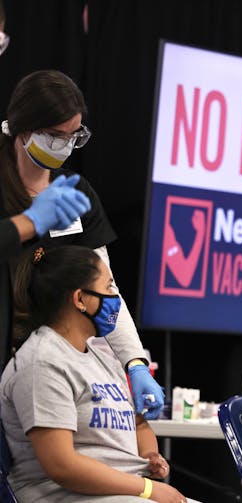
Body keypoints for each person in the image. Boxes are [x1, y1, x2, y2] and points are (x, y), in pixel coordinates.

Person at [0, 69, 163, 418]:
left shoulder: (75, 191)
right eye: (55, 136)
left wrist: (134, 361)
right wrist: (28, 224)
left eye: (74, 135)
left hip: (57, 362)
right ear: (24, 129)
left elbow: (103, 286)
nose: (65, 145)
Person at [0, 245, 195, 502]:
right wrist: (147, 489)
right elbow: (62, 466)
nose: (116, 298)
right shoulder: (42, 363)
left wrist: (149, 455)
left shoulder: (102, 358)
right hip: (64, 495)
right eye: (109, 287)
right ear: (80, 299)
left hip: (122, 492)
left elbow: (137, 422)